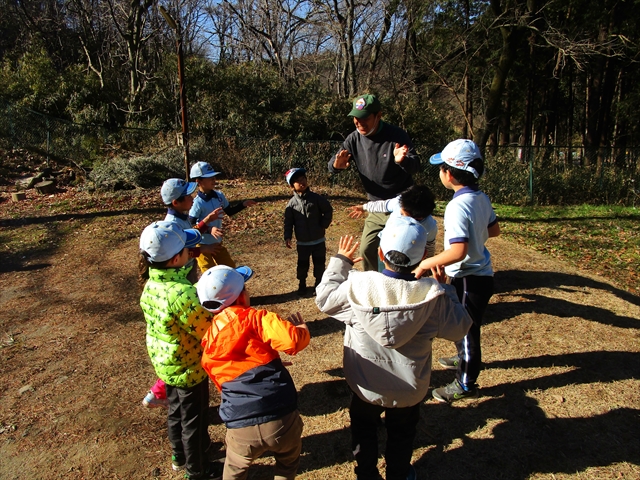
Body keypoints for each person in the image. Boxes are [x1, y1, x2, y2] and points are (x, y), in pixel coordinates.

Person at [315, 215, 473, 480]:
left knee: (363, 430)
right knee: (402, 433)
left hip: (365, 386)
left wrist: (340, 261)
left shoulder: (357, 286)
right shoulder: (434, 296)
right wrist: (449, 291)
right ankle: (398, 474)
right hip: (410, 389)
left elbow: (324, 299)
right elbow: (460, 328)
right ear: (423, 254)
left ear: (379, 252)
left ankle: (366, 474)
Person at [197, 265, 310, 480]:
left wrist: (267, 364)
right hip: (280, 417)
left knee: (234, 471)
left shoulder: (209, 341)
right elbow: (292, 341)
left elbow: (223, 378)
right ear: (241, 298)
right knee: (288, 462)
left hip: (240, 425)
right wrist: (303, 330)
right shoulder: (256, 317)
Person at [413, 139, 500, 403]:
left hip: (469, 278)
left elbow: (458, 251)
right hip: (480, 273)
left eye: (441, 168)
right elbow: (494, 230)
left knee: (467, 331)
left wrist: (426, 264)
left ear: (449, 174)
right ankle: (461, 355)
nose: (440, 173)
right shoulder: (480, 197)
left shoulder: (456, 206)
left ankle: (465, 384)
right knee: (464, 326)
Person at [139, 221, 221, 479]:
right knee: (194, 420)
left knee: (175, 411)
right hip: (189, 368)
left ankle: (179, 456)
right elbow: (207, 329)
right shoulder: (183, 294)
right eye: (187, 250)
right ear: (177, 259)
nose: (190, 252)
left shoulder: (151, 285)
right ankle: (197, 470)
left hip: (166, 363)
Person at [141, 178, 224, 409]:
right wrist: (201, 249)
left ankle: (161, 391)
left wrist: (204, 223)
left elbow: (187, 237)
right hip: (181, 283)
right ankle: (158, 392)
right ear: (176, 202)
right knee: (184, 337)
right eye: (188, 196)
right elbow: (206, 330)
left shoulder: (179, 221)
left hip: (179, 280)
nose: (193, 197)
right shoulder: (172, 226)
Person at [328, 94, 420, 271]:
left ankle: (406, 283)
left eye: (365, 118)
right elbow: (334, 162)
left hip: (402, 204)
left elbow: (416, 165)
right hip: (376, 205)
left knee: (400, 249)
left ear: (379, 115)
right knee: (367, 248)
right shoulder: (354, 139)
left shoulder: (396, 135)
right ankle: (374, 283)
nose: (359, 122)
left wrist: (403, 161)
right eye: (356, 118)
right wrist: (336, 165)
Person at [188, 162, 257, 271]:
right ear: (199, 181)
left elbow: (229, 211)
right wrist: (209, 229)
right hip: (202, 245)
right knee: (209, 273)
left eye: (214, 176)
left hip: (217, 242)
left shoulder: (219, 196)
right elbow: (191, 225)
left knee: (229, 269)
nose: (213, 180)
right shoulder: (197, 203)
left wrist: (243, 205)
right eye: (209, 177)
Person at [347, 184, 437, 263]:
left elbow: (430, 246)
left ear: (417, 217)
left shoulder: (429, 225)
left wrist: (426, 264)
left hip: (408, 255)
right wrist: (364, 207)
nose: (400, 212)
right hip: (387, 246)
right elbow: (384, 205)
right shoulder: (400, 203)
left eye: (403, 214)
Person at [283, 167, 333, 295]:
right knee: (302, 265)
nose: (302, 182)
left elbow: (328, 210)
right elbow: (288, 222)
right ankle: (302, 284)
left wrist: (323, 224)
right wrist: (287, 236)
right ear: (291, 186)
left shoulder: (316, 199)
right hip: (303, 243)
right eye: (297, 181)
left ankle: (319, 284)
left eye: (303, 179)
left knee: (319, 263)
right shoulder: (291, 204)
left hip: (318, 240)